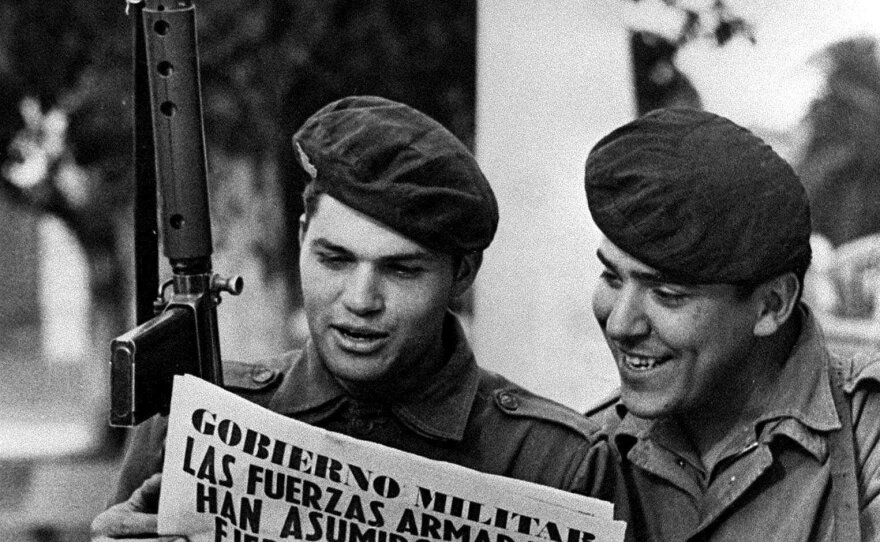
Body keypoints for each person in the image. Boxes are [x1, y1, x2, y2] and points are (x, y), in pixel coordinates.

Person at [92, 96, 611, 540]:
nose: (361, 299)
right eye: (335, 260)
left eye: (402, 270)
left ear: (462, 275)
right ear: (300, 241)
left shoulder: (549, 463)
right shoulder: (202, 415)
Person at [583, 107, 880, 541]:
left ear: (771, 306)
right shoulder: (591, 450)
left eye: (668, 294)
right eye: (612, 277)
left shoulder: (867, 437)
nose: (621, 324)